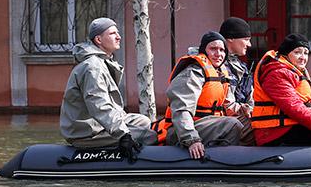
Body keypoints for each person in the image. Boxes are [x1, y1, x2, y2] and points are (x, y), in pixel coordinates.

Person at [60, 17, 157, 161]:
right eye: (112, 33)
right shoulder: (93, 68)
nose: (119, 37)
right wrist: (123, 134)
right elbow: (99, 105)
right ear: (98, 39)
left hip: (98, 124)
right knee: (149, 135)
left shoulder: (103, 62)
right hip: (87, 132)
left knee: (143, 121)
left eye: (117, 33)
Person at [153, 31, 243, 159]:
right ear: (203, 51)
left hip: (207, 126)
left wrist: (244, 110)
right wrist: (191, 139)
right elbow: (181, 109)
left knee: (247, 123)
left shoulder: (221, 73)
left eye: (222, 50)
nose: (218, 54)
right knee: (233, 124)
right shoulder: (193, 72)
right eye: (213, 49)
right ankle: (228, 161)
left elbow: (227, 106)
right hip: (181, 132)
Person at [251, 33, 311, 146]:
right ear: (286, 54)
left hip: (289, 125)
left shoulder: (294, 70)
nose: (303, 57)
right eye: (297, 52)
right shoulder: (276, 74)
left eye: (306, 53)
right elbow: (295, 108)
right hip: (273, 133)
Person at [219, 17, 255, 145]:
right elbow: (227, 106)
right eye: (246, 40)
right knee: (260, 126)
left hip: (239, 118)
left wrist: (253, 109)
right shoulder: (217, 66)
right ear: (230, 39)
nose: (249, 44)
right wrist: (245, 110)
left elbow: (251, 96)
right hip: (222, 122)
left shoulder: (242, 66)